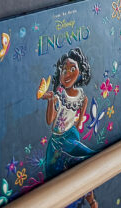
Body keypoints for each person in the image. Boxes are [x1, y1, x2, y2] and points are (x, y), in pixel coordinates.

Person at [41, 48, 97, 178]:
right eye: (64, 71)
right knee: (52, 173)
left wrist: (76, 129)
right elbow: (50, 120)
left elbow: (84, 105)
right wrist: (50, 100)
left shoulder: (81, 94)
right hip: (56, 140)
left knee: (90, 156)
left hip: (70, 136)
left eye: (72, 69)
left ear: (80, 72)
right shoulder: (59, 95)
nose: (67, 74)